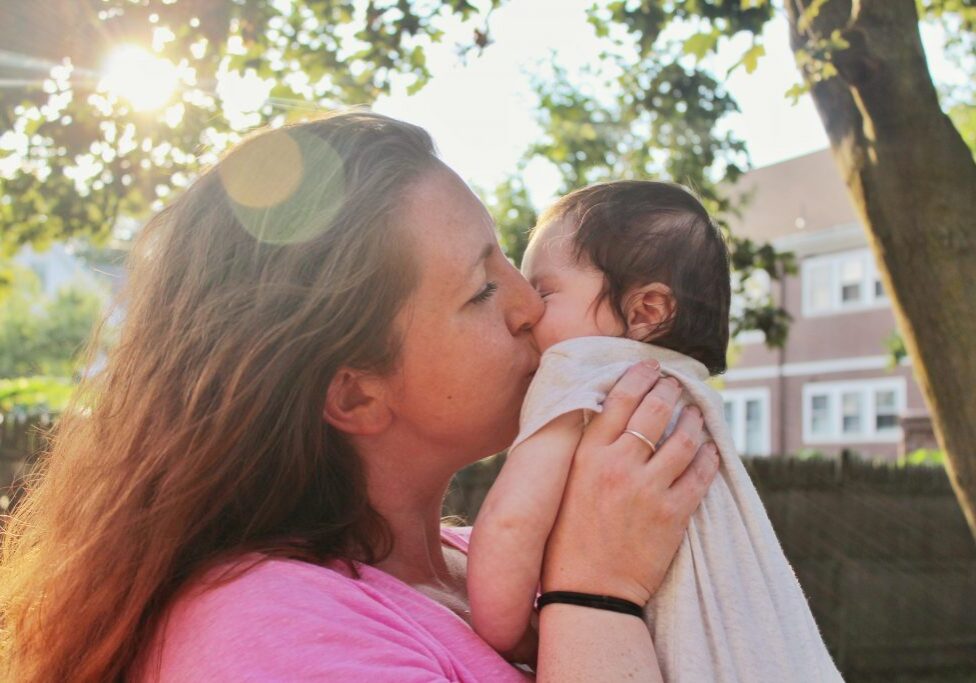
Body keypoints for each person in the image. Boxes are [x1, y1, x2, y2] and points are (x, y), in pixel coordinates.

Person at [0, 112, 719, 682]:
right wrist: (597, 594)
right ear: (355, 393)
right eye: (481, 287)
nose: (531, 302)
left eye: (507, 254)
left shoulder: (496, 556)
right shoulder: (267, 632)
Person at [468, 181, 842, 682]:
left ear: (645, 311)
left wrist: (512, 632)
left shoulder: (578, 368)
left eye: (545, 291)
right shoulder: (691, 397)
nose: (529, 311)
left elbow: (511, 522)